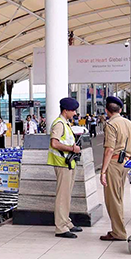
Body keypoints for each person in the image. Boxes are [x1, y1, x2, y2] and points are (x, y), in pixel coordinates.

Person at [100, 96, 131, 241]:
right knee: (119, 197)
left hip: (114, 164)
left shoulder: (111, 125)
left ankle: (118, 232)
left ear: (107, 111)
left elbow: (109, 149)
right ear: (120, 110)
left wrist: (103, 171)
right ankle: (118, 229)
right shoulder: (130, 124)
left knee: (112, 199)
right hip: (126, 164)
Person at [48, 98, 82, 239]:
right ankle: (60, 228)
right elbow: (54, 144)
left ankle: (66, 222)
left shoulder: (66, 123)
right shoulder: (59, 124)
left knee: (66, 195)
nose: (74, 113)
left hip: (68, 164)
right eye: (73, 110)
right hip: (62, 163)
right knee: (62, 196)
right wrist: (72, 149)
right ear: (65, 110)